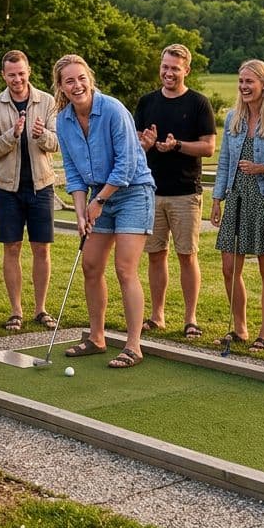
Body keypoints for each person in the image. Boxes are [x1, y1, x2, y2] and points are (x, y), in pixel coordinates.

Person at [53, 54, 154, 369]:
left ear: (89, 78)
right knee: (91, 265)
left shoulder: (111, 109)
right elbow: (72, 170)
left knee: (125, 268)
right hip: (98, 194)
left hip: (133, 192)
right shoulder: (63, 120)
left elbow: (127, 164)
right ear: (61, 87)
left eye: (81, 78)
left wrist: (98, 202)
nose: (77, 84)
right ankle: (97, 337)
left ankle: (133, 345)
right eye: (70, 80)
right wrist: (81, 212)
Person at [134, 44, 215, 339]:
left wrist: (177, 145)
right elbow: (136, 143)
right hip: (150, 190)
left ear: (186, 71)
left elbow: (208, 147)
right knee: (155, 254)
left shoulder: (198, 103)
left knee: (187, 255)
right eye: (165, 67)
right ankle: (157, 316)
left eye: (175, 68)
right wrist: (146, 143)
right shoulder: (146, 102)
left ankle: (190, 318)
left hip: (185, 192)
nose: (168, 73)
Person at [210, 60, 264, 352]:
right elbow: (224, 163)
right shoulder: (233, 118)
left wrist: (262, 167)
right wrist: (217, 199)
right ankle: (240, 327)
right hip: (237, 198)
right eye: (241, 81)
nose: (244, 87)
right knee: (229, 267)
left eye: (249, 82)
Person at [0, 50, 59, 332]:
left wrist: (42, 135)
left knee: (41, 248)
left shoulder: (47, 101)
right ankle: (16, 310)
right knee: (12, 247)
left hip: (41, 185)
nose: (17, 79)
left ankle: (41, 309)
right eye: (11, 74)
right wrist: (12, 135)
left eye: (21, 73)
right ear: (4, 75)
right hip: (7, 188)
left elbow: (57, 142)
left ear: (29, 72)